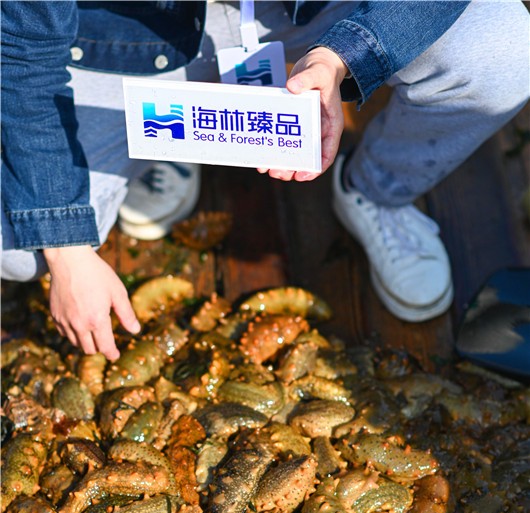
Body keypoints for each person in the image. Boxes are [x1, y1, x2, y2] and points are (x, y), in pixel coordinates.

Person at [2, 1, 528, 359]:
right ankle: (166, 136)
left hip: (313, 13)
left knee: (501, 50)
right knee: (18, 247)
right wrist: (65, 245)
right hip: (121, 40)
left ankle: (377, 191)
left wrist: (341, 56)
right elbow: (23, 55)